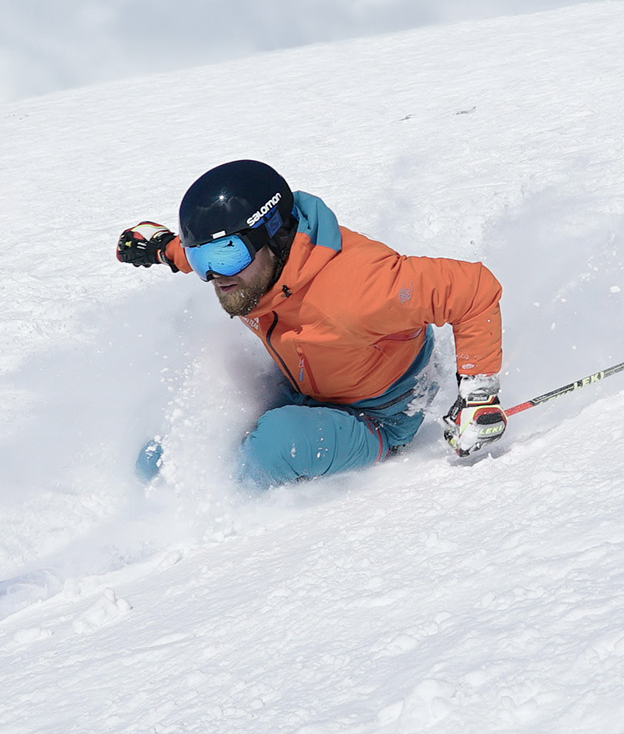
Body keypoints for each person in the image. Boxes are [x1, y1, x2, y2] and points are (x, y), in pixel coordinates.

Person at [116, 159, 506, 488]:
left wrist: (479, 394)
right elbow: (205, 252)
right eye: (203, 259)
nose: (215, 275)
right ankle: (177, 491)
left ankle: (203, 511)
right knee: (161, 459)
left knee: (270, 450)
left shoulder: (361, 286)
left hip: (381, 416)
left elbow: (473, 289)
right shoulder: (250, 270)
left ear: (274, 235)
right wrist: (164, 249)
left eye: (226, 254)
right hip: (307, 387)